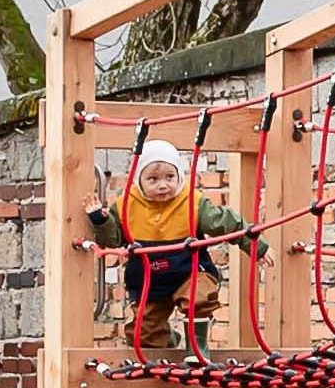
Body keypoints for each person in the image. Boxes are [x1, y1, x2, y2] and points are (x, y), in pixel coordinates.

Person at [101, 143, 237, 354]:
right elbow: (113, 239)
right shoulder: (125, 205)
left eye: (170, 177)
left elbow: (226, 223)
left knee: (198, 297)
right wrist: (99, 220)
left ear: (179, 176)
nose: (163, 185)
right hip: (150, 279)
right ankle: (168, 338)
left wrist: (258, 246)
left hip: (189, 273)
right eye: (153, 179)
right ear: (139, 180)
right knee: (143, 334)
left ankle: (198, 349)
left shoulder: (191, 202)